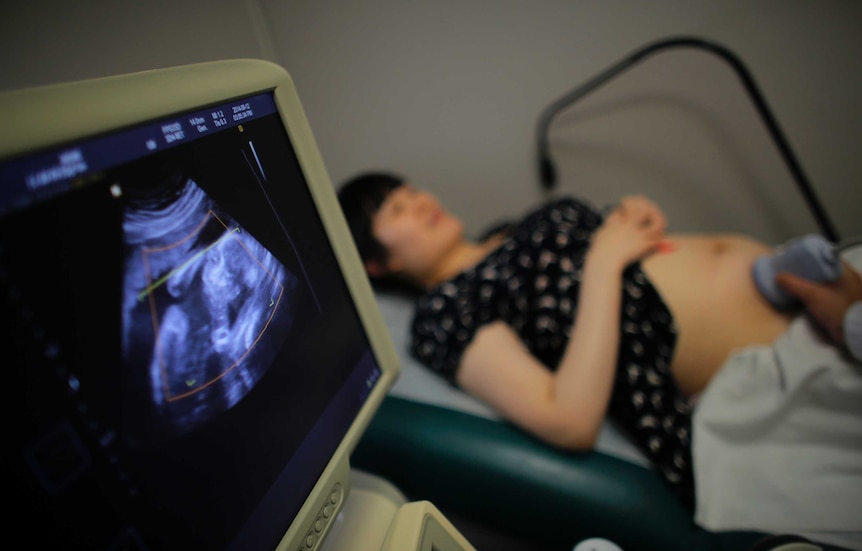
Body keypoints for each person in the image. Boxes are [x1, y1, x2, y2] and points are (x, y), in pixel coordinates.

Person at [337, 171, 855, 509]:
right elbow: (569, 420)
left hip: (811, 297)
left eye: (410, 191)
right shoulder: (446, 311)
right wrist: (605, 260)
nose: (419, 200)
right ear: (378, 264)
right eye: (395, 209)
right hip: (791, 355)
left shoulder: (509, 231)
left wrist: (632, 219)